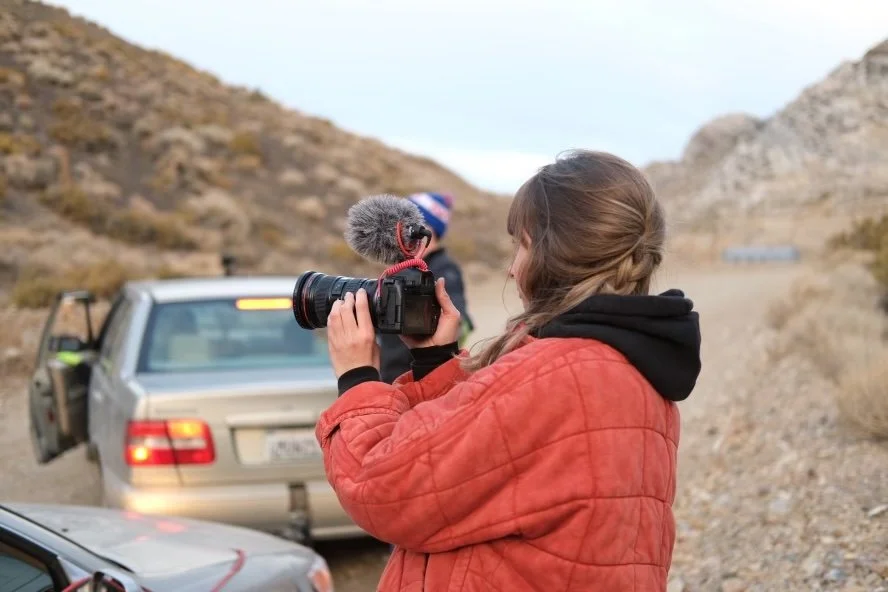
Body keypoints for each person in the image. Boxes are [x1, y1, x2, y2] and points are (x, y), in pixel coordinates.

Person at [319, 150, 702, 591]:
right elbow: (488, 478)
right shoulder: (633, 366)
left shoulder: (556, 374)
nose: (511, 267)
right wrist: (433, 363)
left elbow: (381, 489)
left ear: (553, 255)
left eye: (521, 245)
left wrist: (357, 379)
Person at [377, 192, 474, 384]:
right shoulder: (406, 269)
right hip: (392, 379)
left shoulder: (443, 269)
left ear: (425, 229)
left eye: (406, 226)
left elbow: (460, 321)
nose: (400, 234)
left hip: (420, 380)